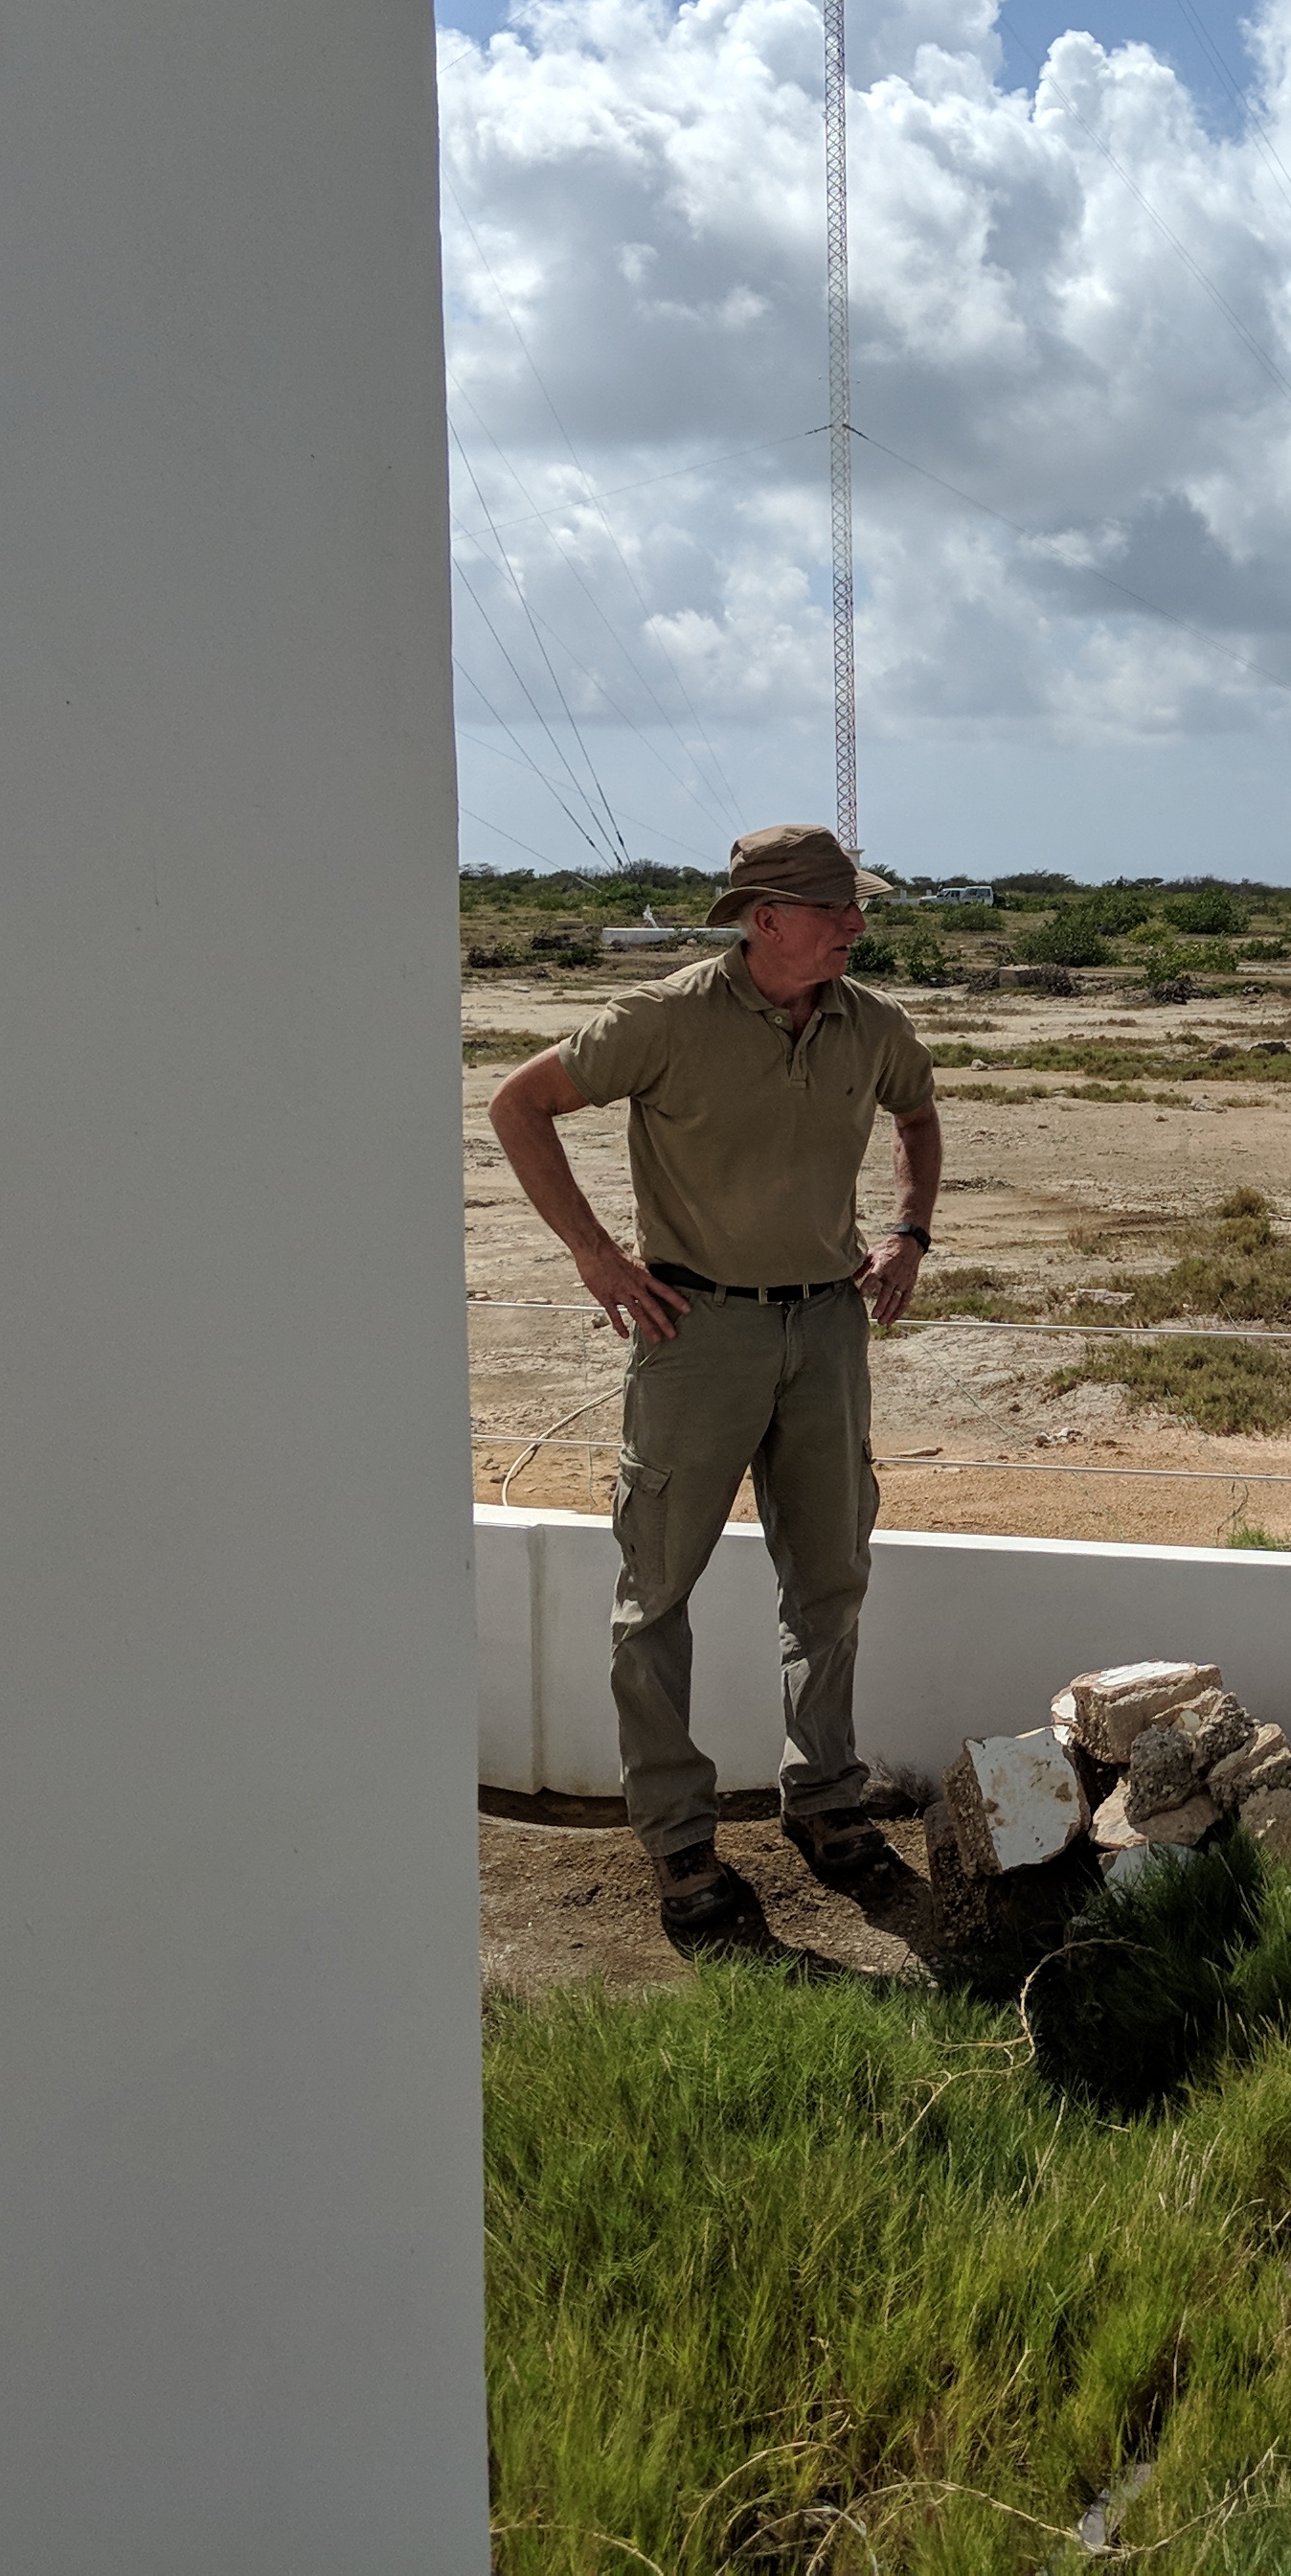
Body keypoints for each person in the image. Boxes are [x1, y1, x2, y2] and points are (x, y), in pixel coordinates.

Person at [486, 824, 941, 1952]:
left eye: (857, 908)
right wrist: (598, 1257)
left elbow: (918, 1115)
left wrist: (907, 1234)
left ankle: (826, 1800)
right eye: (837, 909)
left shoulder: (869, 1023)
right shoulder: (663, 1020)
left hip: (828, 1331)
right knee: (657, 1596)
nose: (857, 926)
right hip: (696, 1337)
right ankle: (680, 1841)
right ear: (764, 917)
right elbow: (518, 1104)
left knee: (831, 1576)